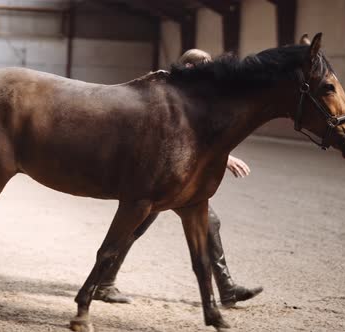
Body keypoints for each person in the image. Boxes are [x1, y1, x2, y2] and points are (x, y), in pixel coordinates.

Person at [93, 49, 263, 307]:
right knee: (132, 228)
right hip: (157, 178)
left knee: (209, 223)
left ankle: (227, 288)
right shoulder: (170, 95)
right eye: (204, 68)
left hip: (176, 179)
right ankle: (103, 284)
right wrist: (225, 158)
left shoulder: (192, 97)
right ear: (191, 69)